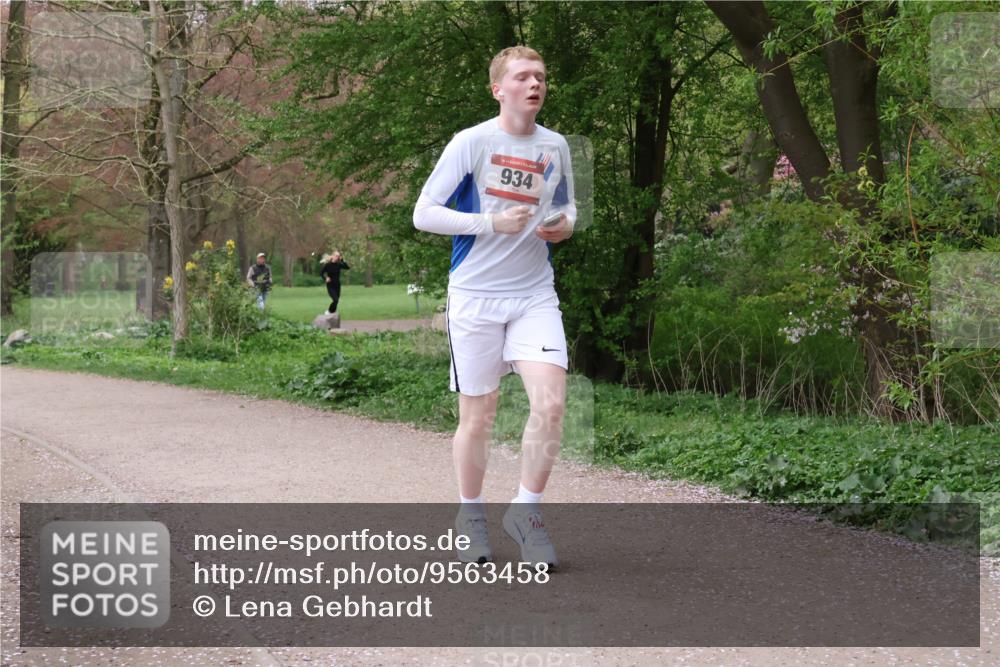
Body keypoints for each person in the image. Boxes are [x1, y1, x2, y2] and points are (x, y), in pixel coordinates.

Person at [413, 46, 575, 569]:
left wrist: (565, 224)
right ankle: (471, 517)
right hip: (476, 297)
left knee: (550, 404)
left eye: (541, 77)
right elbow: (424, 214)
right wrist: (488, 223)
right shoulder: (472, 142)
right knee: (477, 418)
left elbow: (566, 205)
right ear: (497, 89)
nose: (535, 84)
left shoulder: (555, 146)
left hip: (534, 294)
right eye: (523, 77)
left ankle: (526, 514)